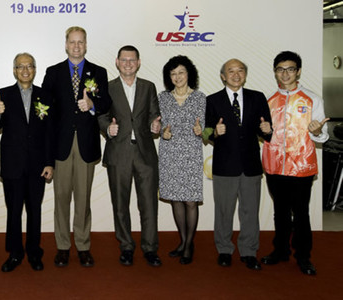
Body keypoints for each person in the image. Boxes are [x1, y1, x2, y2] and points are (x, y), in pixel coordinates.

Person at [42, 26, 110, 268]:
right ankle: (62, 246)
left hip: (85, 145)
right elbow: (45, 112)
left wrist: (92, 103)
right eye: (72, 42)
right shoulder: (53, 72)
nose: (77, 46)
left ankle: (82, 245)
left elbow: (106, 103)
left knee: (83, 199)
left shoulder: (98, 72)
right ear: (66, 44)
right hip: (60, 146)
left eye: (81, 42)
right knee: (61, 199)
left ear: (86, 44)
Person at [261, 51, 328, 276]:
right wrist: (264, 133)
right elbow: (264, 134)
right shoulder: (268, 101)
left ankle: (303, 256)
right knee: (280, 212)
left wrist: (318, 131)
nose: (285, 73)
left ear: (298, 71)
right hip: (274, 165)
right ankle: (280, 250)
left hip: (301, 167)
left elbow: (322, 135)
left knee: (301, 213)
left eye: (290, 69)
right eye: (281, 69)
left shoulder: (312, 99)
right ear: (275, 72)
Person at [203, 58, 273, 270]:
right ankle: (224, 249)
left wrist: (268, 130)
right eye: (230, 71)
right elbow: (205, 131)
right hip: (225, 165)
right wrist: (214, 132)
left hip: (251, 164)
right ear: (223, 76)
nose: (235, 74)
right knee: (224, 211)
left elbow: (265, 129)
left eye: (240, 70)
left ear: (245, 74)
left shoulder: (257, 97)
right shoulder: (213, 100)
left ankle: (249, 251)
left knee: (250, 211)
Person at [98, 45, 162, 268]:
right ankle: (126, 246)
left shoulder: (148, 87)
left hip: (145, 154)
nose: (128, 63)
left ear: (139, 62)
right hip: (119, 153)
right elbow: (101, 116)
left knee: (149, 204)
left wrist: (156, 124)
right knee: (120, 204)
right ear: (117, 62)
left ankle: (150, 248)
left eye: (132, 60)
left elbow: (155, 113)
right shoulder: (107, 88)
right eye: (124, 60)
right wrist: (108, 128)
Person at [0, 53, 54, 272]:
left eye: (29, 66)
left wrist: (49, 163)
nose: (25, 70)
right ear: (14, 70)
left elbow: (49, 132)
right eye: (21, 66)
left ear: (35, 69)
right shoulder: (3, 95)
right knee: (14, 211)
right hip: (13, 164)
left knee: (35, 211)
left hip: (38, 165)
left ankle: (34, 253)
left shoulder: (45, 95)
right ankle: (15, 253)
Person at [157, 55, 205, 265]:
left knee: (190, 201)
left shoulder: (200, 97)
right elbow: (157, 125)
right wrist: (162, 134)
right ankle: (184, 241)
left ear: (189, 74)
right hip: (170, 153)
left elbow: (205, 127)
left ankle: (188, 245)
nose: (177, 77)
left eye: (181, 72)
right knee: (176, 199)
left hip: (191, 153)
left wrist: (200, 130)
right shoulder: (162, 98)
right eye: (173, 73)